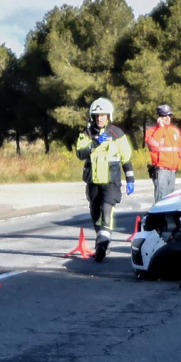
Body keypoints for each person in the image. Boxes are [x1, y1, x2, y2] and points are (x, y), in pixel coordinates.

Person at [74, 98, 135, 262]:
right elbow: (80, 153)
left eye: (103, 115)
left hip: (111, 181)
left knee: (107, 213)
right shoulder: (86, 134)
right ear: (92, 117)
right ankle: (103, 240)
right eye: (96, 115)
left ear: (109, 116)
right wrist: (94, 143)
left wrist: (130, 178)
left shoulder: (117, 133)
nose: (100, 118)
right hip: (93, 181)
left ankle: (101, 245)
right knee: (95, 213)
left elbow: (126, 157)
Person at [144, 104, 181, 202]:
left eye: (169, 116)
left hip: (172, 172)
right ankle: (158, 218)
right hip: (161, 171)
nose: (167, 118)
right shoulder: (151, 132)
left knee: (170, 201)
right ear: (159, 118)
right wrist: (160, 128)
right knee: (161, 201)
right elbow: (154, 145)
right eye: (164, 116)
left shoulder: (175, 131)